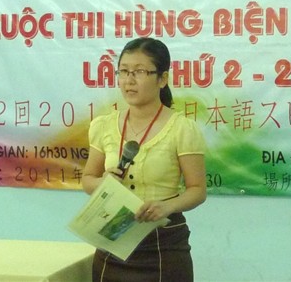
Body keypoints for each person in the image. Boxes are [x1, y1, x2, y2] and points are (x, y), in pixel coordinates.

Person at [82, 37, 207, 282]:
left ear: (162, 79)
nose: (129, 80)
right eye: (124, 71)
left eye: (139, 72)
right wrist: (102, 182)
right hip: (114, 238)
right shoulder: (103, 125)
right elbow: (87, 180)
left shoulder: (182, 128)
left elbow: (198, 190)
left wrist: (168, 206)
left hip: (163, 244)